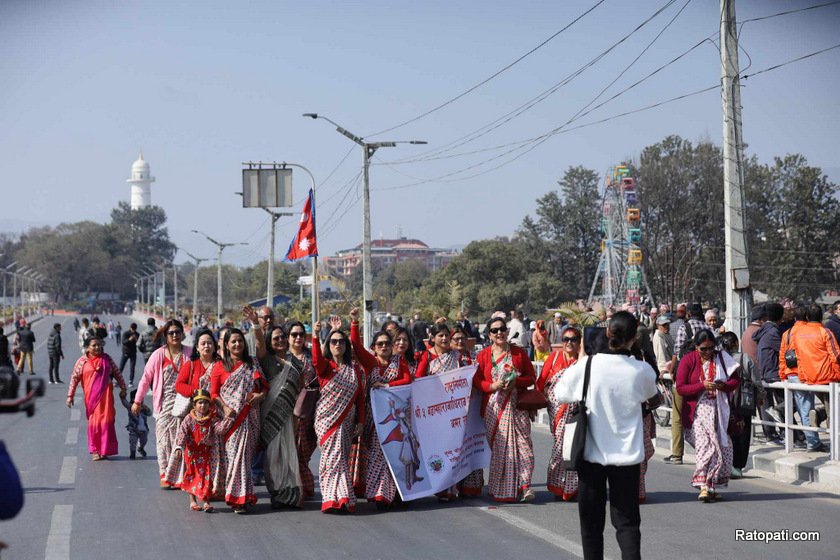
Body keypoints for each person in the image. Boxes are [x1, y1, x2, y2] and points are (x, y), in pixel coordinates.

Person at [553, 311, 660, 560]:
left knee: (591, 526)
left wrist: (581, 358)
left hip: (590, 456)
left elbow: (561, 393)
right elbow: (653, 397)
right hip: (627, 460)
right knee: (627, 525)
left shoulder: (588, 366)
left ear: (607, 332)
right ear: (634, 338)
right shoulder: (640, 370)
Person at [347, 308, 412, 509]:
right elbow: (356, 346)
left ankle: (398, 495)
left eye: (387, 344)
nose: (384, 347)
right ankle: (379, 495)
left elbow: (407, 379)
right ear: (374, 348)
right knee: (378, 455)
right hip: (376, 420)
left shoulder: (399, 361)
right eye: (380, 344)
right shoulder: (370, 362)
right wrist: (355, 322)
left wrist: (387, 386)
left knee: (397, 456)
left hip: (397, 420)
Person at [415, 320, 482, 499]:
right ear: (432, 338)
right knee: (439, 448)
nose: (444, 338)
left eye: (446, 335)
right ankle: (440, 486)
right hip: (435, 412)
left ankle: (452, 488)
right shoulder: (426, 357)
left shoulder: (456, 356)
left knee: (454, 448)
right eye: (440, 335)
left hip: (454, 410)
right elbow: (419, 380)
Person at [474, 316, 536, 503]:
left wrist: (517, 381)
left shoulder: (518, 353)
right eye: (494, 330)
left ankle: (525, 485)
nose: (499, 333)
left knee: (525, 447)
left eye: (502, 329)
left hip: (517, 406)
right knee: (503, 450)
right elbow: (477, 381)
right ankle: (503, 488)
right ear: (489, 335)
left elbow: (531, 377)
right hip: (494, 408)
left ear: (507, 331)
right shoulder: (484, 355)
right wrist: (492, 386)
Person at [677, 329, 740, 502]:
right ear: (696, 347)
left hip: (720, 411)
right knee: (706, 447)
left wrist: (723, 386)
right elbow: (680, 387)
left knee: (723, 448)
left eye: (710, 348)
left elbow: (735, 380)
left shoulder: (721, 358)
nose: (707, 352)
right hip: (698, 412)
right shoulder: (688, 360)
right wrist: (701, 386)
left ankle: (712, 485)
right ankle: (704, 485)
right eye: (703, 349)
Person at [311, 320, 366, 513]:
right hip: (326, 421)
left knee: (339, 458)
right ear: (328, 345)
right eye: (333, 341)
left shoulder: (355, 371)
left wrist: (360, 421)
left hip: (347, 420)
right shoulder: (326, 367)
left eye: (341, 342)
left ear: (346, 346)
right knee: (331, 459)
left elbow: (360, 397)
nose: (337, 345)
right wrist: (316, 336)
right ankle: (338, 497)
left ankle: (335, 498)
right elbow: (316, 360)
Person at [210, 328, 266, 513]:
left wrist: (259, 396)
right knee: (235, 458)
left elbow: (264, 387)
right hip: (231, 420)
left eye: (240, 341)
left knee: (245, 458)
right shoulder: (220, 366)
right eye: (233, 341)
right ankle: (237, 497)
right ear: (226, 345)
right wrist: (225, 408)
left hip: (250, 418)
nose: (237, 344)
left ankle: (244, 496)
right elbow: (214, 393)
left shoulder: (252, 364)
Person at [132, 319, 192, 488]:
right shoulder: (158, 355)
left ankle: (180, 476)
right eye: (171, 333)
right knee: (163, 440)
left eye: (177, 332)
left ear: (182, 334)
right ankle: (165, 473)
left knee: (182, 440)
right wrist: (138, 400)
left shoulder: (190, 353)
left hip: (186, 404)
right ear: (166, 336)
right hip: (164, 404)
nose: (175, 336)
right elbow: (145, 379)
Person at [778, 304, 838, 452]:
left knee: (805, 409)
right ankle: (819, 440)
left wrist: (782, 374)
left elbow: (784, 355)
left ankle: (814, 435)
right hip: (824, 376)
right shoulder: (824, 331)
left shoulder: (790, 333)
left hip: (800, 376)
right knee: (831, 408)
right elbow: (835, 356)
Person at [259, 325, 305, 509]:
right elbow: (259, 344)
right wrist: (255, 323)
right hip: (270, 416)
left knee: (288, 455)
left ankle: (291, 494)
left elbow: (299, 390)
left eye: (282, 337)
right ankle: (277, 493)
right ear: (270, 342)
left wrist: (297, 417)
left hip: (289, 415)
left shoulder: (297, 363)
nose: (280, 341)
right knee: (273, 456)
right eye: (275, 338)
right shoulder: (268, 361)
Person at [536, 325, 582, 501]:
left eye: (573, 339)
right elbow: (541, 382)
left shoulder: (582, 360)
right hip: (557, 410)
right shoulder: (555, 357)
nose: (569, 343)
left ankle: (572, 488)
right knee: (560, 447)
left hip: (577, 411)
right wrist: (535, 405)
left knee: (575, 447)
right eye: (566, 339)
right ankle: (557, 485)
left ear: (579, 342)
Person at [66, 337, 127, 461]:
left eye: (99, 345)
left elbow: (117, 373)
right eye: (94, 345)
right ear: (87, 347)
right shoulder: (82, 361)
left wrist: (123, 388)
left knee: (106, 423)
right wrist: (70, 396)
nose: (97, 347)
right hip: (92, 400)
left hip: (107, 399)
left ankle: (104, 450)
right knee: (94, 424)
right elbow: (74, 378)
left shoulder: (107, 359)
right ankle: (95, 450)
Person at [174, 389, 233, 513]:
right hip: (192, 453)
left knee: (207, 476)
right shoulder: (189, 419)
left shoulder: (212, 418)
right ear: (194, 405)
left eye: (205, 403)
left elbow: (219, 430)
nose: (203, 406)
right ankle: (193, 501)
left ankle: (206, 502)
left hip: (207, 453)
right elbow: (182, 433)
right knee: (192, 475)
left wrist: (229, 419)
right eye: (200, 403)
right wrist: (179, 447)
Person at [286, 320, 317, 499]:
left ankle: (304, 486)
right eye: (294, 334)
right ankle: (295, 487)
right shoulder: (283, 358)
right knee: (290, 452)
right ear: (288, 337)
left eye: (300, 334)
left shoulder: (312, 358)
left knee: (304, 452)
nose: (298, 338)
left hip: (308, 413)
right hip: (287, 412)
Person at [719, 332, 756, 479]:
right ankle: (738, 466)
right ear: (736, 343)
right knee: (744, 432)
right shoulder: (744, 358)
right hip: (743, 400)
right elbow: (756, 379)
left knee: (725, 431)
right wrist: (760, 395)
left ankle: (726, 463)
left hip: (724, 400)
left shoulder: (719, 359)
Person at [753, 302, 788, 445]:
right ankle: (790, 434)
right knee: (786, 404)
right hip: (774, 374)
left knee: (774, 404)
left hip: (765, 372)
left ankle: (787, 433)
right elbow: (784, 351)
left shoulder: (764, 330)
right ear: (780, 316)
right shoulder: (773, 333)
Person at [119, 389, 150, 460]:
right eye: (140, 398)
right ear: (134, 399)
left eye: (142, 398)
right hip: (134, 429)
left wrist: (147, 409)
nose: (142, 400)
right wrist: (122, 397)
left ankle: (141, 448)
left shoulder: (144, 408)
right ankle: (132, 453)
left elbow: (149, 413)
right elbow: (125, 403)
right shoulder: (131, 407)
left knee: (144, 441)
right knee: (133, 442)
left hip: (143, 430)